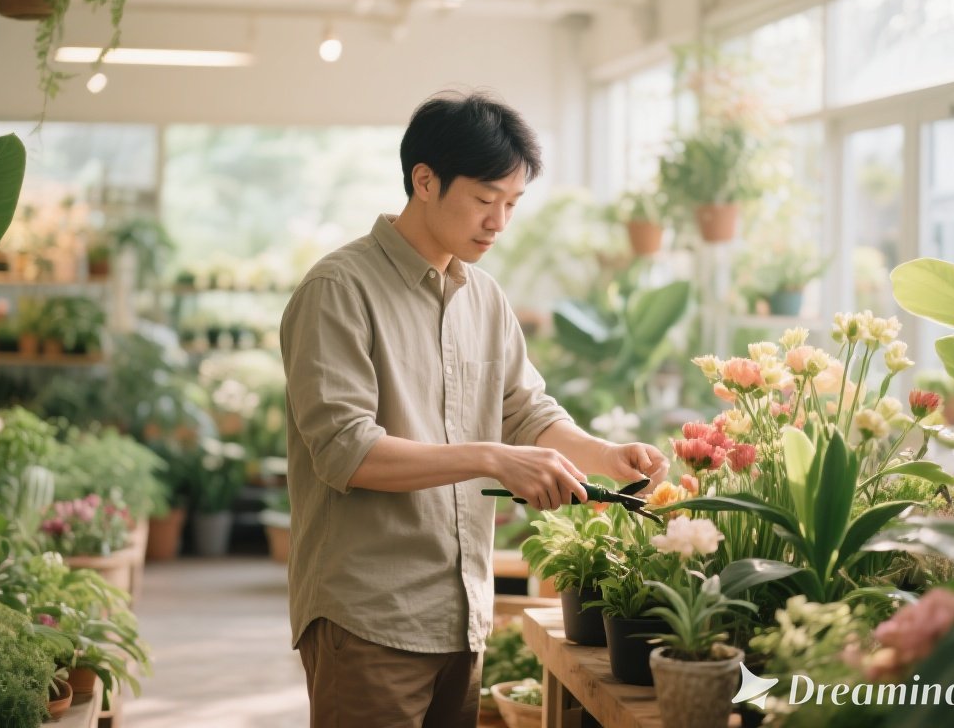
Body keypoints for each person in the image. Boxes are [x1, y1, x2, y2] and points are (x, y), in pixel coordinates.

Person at [280, 90, 669, 728]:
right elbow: (345, 451)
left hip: (461, 615)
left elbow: (525, 410)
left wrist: (606, 456)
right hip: (369, 618)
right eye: (486, 200)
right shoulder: (338, 290)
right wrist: (493, 459)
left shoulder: (483, 296)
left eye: (512, 204)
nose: (499, 222)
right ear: (424, 181)